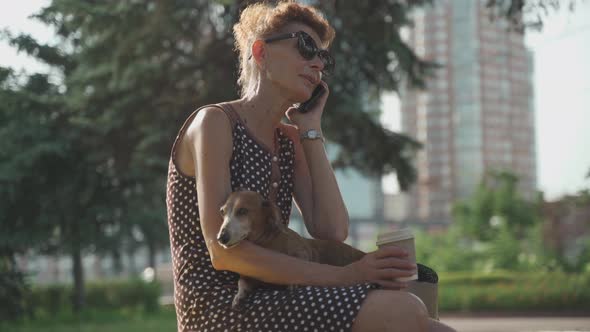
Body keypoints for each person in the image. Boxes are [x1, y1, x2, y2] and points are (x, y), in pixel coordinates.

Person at [166, 1, 457, 331]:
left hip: (278, 293)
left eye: (324, 57)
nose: (318, 62)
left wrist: (309, 128)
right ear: (260, 52)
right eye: (305, 47)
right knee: (401, 311)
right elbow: (225, 253)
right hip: (222, 306)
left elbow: (331, 230)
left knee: (421, 299)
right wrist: (345, 276)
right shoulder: (215, 122)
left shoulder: (290, 140)